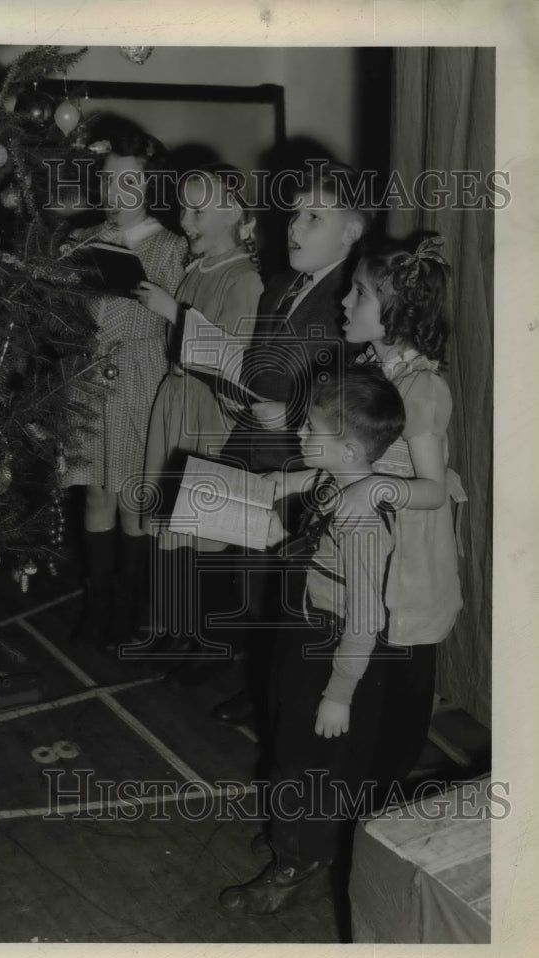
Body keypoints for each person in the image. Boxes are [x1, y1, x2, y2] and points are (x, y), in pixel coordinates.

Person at [219, 367, 407, 915]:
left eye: (311, 433)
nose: (301, 438)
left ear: (348, 449)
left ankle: (298, 859)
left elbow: (366, 617)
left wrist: (340, 691)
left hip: (335, 648)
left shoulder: (362, 520)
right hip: (306, 628)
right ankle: (294, 833)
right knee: (289, 742)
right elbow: (313, 483)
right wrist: (286, 482)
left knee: (307, 764)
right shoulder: (338, 481)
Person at [214, 160, 375, 724]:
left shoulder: (353, 297)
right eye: (294, 214)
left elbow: (357, 390)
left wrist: (295, 412)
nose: (296, 227)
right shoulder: (281, 283)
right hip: (258, 450)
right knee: (252, 573)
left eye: (315, 216)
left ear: (351, 232)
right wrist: (237, 389)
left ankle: (283, 692)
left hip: (307, 462)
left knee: (293, 583)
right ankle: (257, 681)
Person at [339, 231, 465, 790]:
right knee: (363, 679)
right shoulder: (370, 367)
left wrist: (374, 490)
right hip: (371, 550)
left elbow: (433, 488)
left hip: (410, 557)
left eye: (359, 294)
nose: (345, 302)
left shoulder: (422, 388)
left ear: (396, 313)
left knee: (401, 685)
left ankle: (382, 801)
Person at [60, 123, 188, 649]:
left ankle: (131, 607)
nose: (116, 194)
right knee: (96, 493)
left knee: (135, 499)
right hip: (89, 379)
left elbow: (183, 318)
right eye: (109, 182)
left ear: (148, 186)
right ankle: (99, 601)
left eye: (129, 184)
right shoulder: (82, 240)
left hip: (141, 378)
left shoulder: (172, 246)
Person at [131, 164, 264, 664]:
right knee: (175, 530)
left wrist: (174, 314)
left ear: (232, 213)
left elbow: (235, 359)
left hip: (209, 414)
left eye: (197, 210)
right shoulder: (197, 268)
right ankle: (181, 626)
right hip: (177, 401)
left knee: (207, 533)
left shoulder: (243, 277)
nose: (185, 218)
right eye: (184, 207)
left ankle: (210, 640)